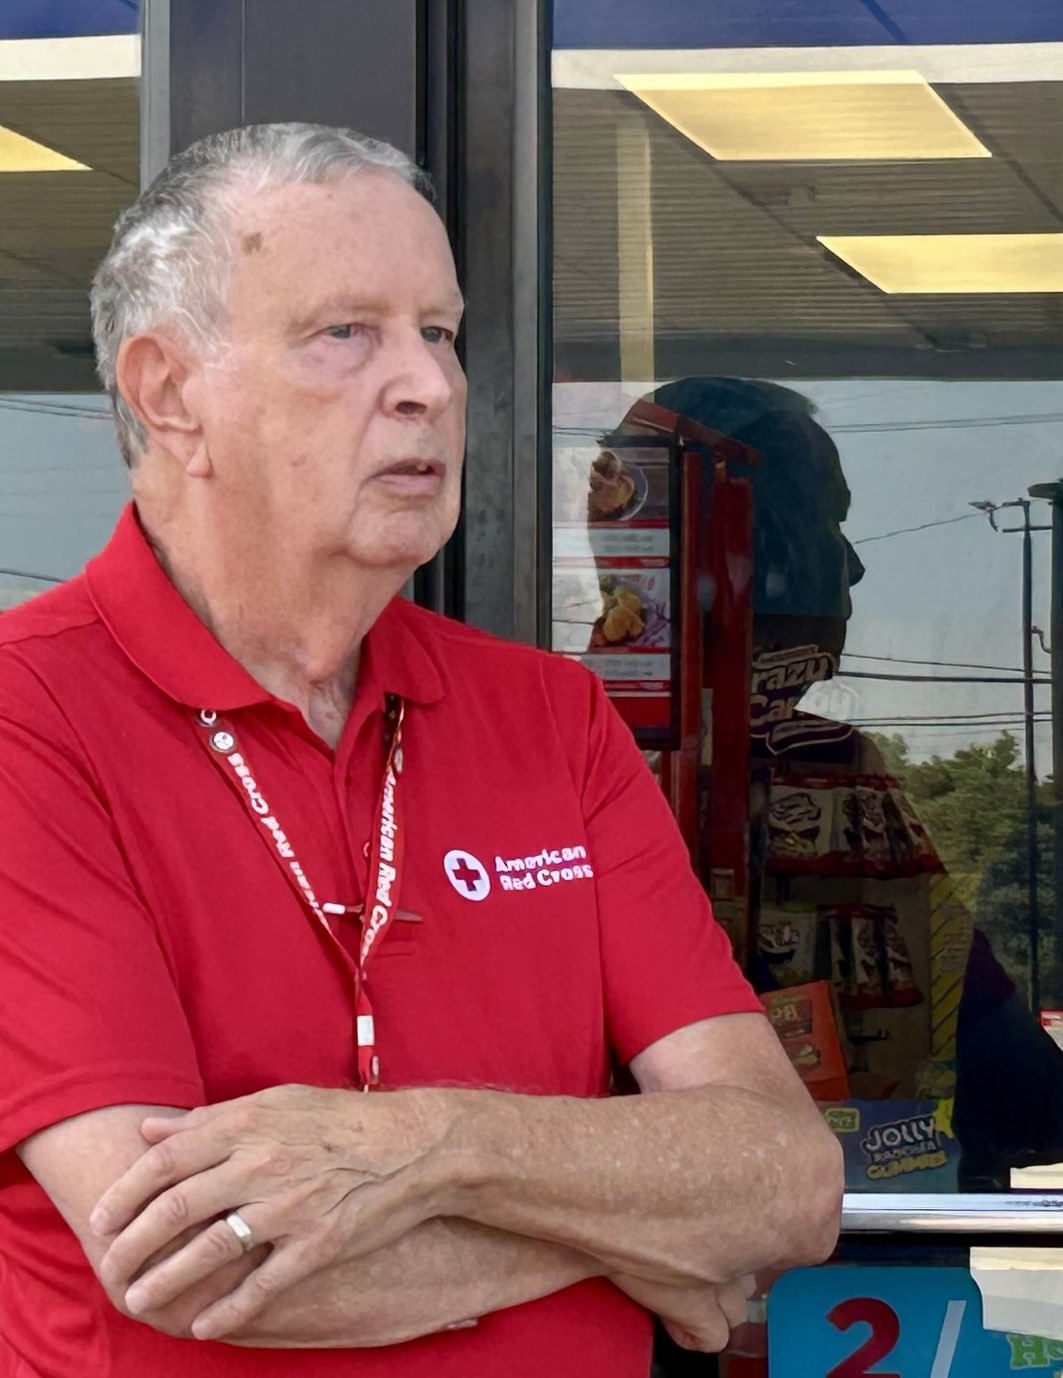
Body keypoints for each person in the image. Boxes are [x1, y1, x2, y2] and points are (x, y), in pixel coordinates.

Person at [0, 125, 842, 1378]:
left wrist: (429, 1146)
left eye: (438, 333)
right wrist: (636, 1227)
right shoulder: (30, 718)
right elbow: (200, 1262)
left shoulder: (550, 715)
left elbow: (786, 1179)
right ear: (169, 391)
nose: (431, 387)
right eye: (347, 333)